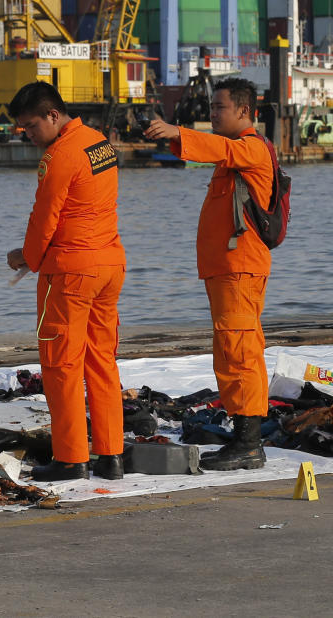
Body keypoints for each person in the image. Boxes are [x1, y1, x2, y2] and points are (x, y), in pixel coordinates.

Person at [144, 78, 272, 471]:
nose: (212, 114)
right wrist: (171, 139)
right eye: (212, 108)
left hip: (239, 271)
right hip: (226, 271)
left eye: (219, 108)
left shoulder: (251, 149)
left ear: (245, 112)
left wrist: (179, 132)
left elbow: (216, 147)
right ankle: (243, 439)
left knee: (241, 352)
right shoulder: (231, 156)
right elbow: (214, 151)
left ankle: (249, 444)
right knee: (231, 352)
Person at [6, 82, 127, 481]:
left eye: (30, 126)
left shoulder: (59, 156)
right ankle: (111, 456)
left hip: (72, 271)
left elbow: (45, 219)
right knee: (102, 361)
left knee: (61, 364)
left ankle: (71, 458)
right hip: (108, 265)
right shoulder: (99, 144)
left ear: (53, 116)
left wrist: (27, 259)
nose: (27, 134)